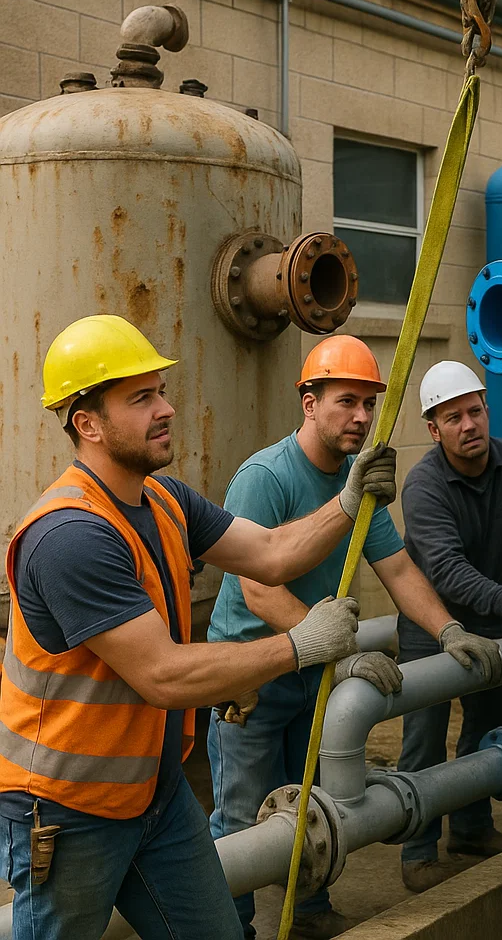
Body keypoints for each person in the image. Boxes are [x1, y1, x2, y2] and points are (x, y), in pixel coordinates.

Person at [0, 315, 368, 940]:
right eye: (141, 398)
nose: (166, 408)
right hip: (68, 811)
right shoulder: (70, 536)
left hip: (157, 798)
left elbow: (273, 553)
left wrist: (347, 502)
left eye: (160, 391)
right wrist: (296, 647)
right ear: (87, 424)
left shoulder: (165, 500)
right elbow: (163, 674)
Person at [206, 338, 502, 938]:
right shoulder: (266, 477)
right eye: (347, 401)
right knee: (240, 818)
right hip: (252, 680)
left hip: (309, 674)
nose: (362, 417)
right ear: (308, 403)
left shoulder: (357, 479)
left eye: (369, 404)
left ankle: (310, 914)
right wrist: (340, 657)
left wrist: (448, 629)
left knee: (310, 808)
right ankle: (227, 928)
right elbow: (258, 592)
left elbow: (396, 567)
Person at [396, 361, 502, 892]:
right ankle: (418, 849)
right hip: (429, 625)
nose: (469, 425)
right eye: (452, 418)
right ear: (434, 430)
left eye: (474, 411)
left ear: (487, 409)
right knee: (423, 737)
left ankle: (472, 829)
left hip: (489, 622)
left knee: (483, 724)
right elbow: (448, 571)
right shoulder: (424, 485)